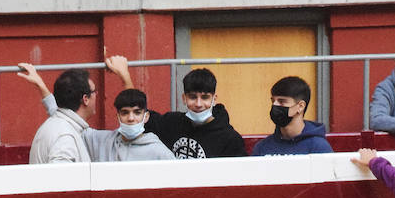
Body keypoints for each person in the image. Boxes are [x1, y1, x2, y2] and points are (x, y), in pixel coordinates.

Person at [17, 60, 174, 162]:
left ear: (146, 116)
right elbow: (64, 117)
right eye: (125, 113)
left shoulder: (158, 151)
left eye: (137, 113)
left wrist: (41, 86)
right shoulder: (100, 140)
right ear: (118, 116)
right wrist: (41, 86)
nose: (131, 118)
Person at [109, 57, 248, 158]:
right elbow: (136, 109)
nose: (199, 104)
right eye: (193, 97)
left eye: (205, 97)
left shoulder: (230, 138)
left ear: (214, 99)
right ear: (184, 98)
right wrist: (124, 75)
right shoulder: (171, 123)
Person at [26, 67, 96, 164]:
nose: (96, 95)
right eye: (94, 92)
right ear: (85, 99)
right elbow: (60, 177)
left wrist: (40, 84)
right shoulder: (65, 136)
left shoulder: (59, 124)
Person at [251, 75, 333, 156]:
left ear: (300, 106)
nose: (275, 105)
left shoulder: (318, 148)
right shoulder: (262, 147)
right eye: (273, 101)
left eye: (282, 101)